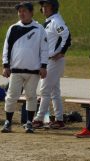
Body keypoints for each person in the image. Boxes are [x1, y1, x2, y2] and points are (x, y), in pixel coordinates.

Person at [1, 1, 48, 133]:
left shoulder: (39, 29)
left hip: (34, 71)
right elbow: (6, 48)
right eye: (19, 11)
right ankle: (8, 122)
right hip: (16, 70)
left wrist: (43, 66)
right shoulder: (13, 28)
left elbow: (44, 49)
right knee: (11, 96)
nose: (21, 13)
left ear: (31, 12)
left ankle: (29, 123)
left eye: (24, 11)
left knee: (31, 96)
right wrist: (5, 65)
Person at [32, 0, 71, 129]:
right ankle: (59, 120)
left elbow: (67, 35)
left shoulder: (56, 21)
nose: (43, 9)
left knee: (45, 90)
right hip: (49, 60)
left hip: (54, 60)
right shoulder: (49, 21)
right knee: (54, 91)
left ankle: (39, 119)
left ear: (53, 8)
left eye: (46, 6)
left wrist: (62, 52)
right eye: (42, 7)